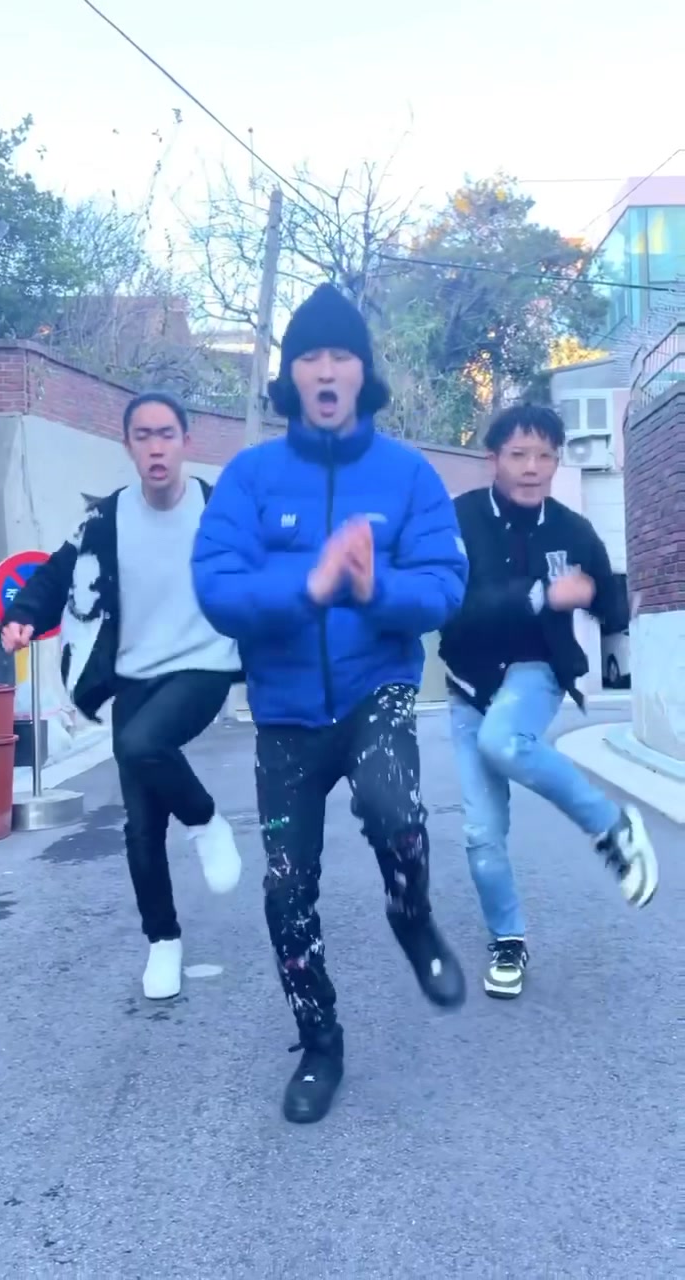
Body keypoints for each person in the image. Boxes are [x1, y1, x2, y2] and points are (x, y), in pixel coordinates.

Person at [191, 283, 469, 1124]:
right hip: (283, 713)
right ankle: (320, 1044)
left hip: (375, 688)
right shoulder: (250, 477)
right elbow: (217, 587)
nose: (324, 369)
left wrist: (374, 587)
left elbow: (444, 585)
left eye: (340, 354)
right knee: (286, 889)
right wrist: (308, 586)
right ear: (290, 376)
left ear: (361, 372)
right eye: (308, 355)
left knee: (395, 810)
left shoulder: (408, 474)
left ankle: (412, 917)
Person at [0, 391, 243, 1000]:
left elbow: (267, 572)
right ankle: (163, 942)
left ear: (185, 442)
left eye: (166, 434)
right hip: (135, 675)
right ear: (128, 445)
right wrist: (24, 615)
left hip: (204, 665)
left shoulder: (220, 510)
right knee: (140, 826)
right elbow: (55, 573)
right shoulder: (105, 519)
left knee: (138, 744)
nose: (156, 447)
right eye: (143, 436)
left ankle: (206, 820)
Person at [439, 403, 659, 1001]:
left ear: (557, 461)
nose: (533, 467)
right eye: (519, 455)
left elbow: (609, 602)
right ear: (493, 459)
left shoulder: (573, 529)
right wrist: (540, 595)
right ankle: (507, 940)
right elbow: (454, 607)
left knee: (504, 741)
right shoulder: (458, 519)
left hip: (536, 672)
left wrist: (599, 600)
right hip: (467, 683)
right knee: (481, 832)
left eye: (545, 456)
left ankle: (612, 827)